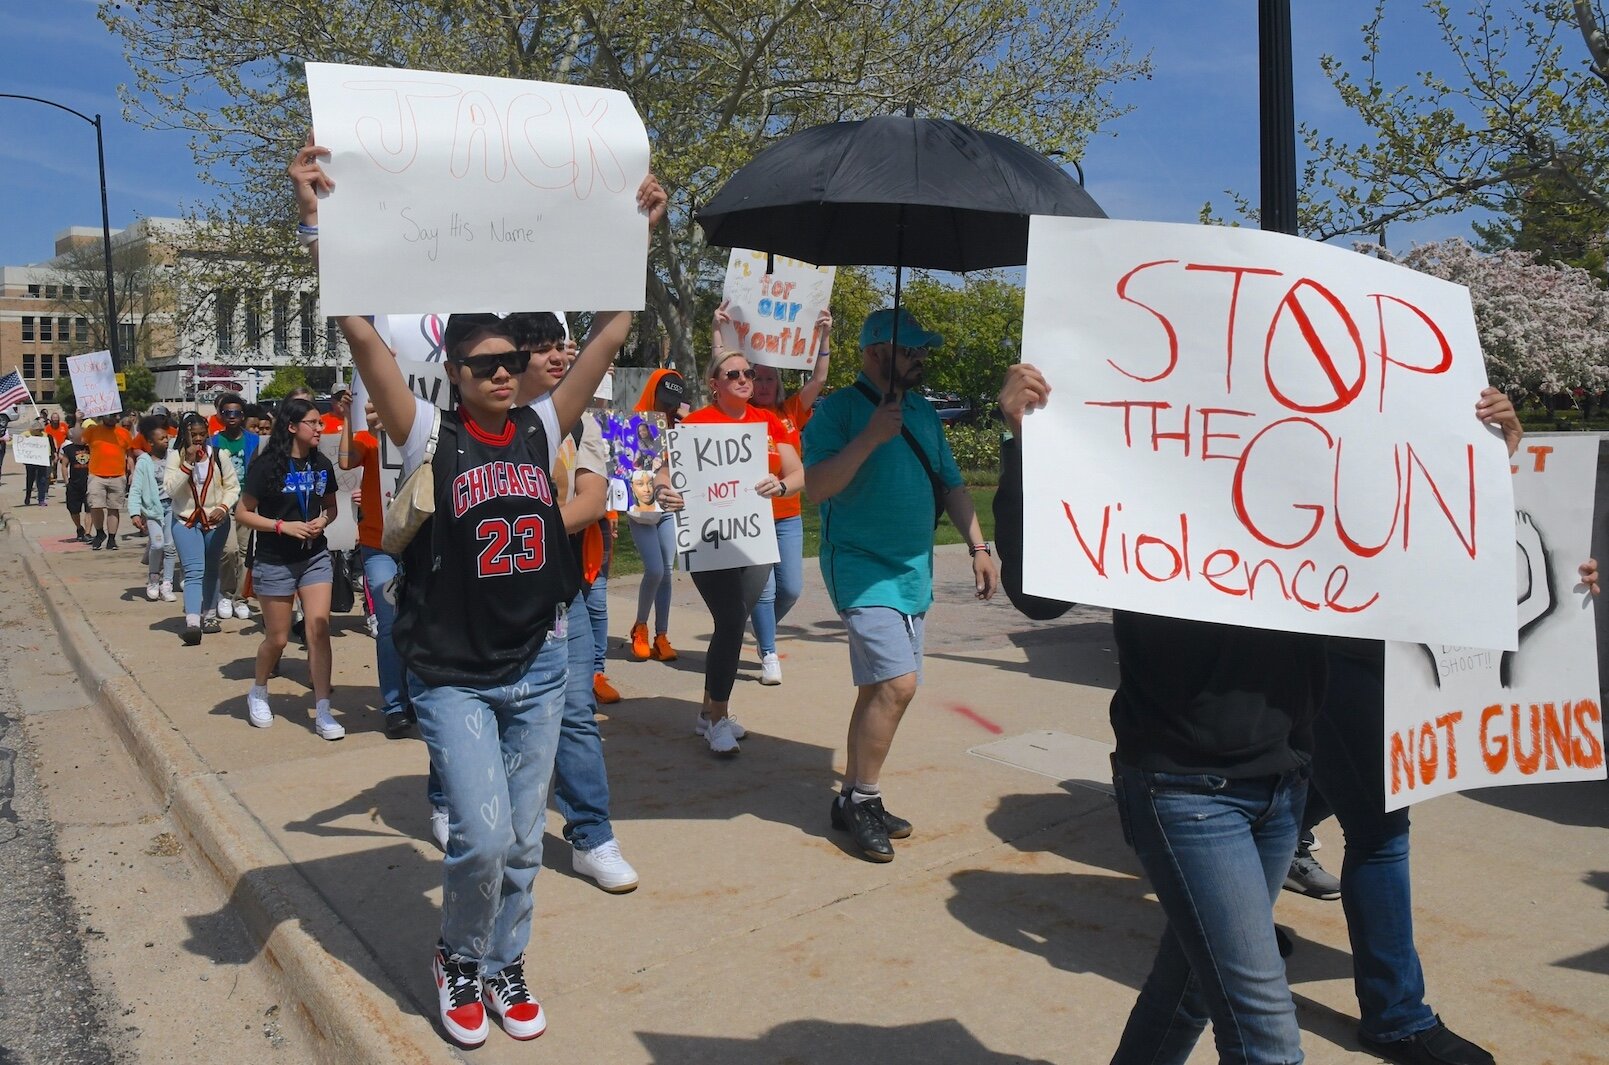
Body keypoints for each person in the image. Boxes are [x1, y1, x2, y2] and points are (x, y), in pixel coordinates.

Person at [293, 130, 665, 1047]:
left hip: (540, 659)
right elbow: (359, 331)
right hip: (454, 671)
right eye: (485, 364)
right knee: (485, 836)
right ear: (454, 374)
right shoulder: (427, 435)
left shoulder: (543, 424)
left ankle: (505, 960)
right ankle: (459, 953)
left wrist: (637, 232)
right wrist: (316, 220)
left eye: (514, 360)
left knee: (527, 849)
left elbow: (614, 328)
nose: (505, 372)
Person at [801, 308, 998, 860]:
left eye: (920, 351)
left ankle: (851, 798)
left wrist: (979, 548)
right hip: (861, 568)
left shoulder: (923, 414)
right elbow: (816, 488)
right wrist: (867, 438)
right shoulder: (837, 412)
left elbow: (954, 485)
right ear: (873, 354)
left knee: (877, 690)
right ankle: (865, 799)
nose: (918, 360)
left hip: (913, 571)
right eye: (908, 350)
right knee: (899, 686)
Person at [515, 311, 639, 891]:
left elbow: (590, 502)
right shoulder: (481, 424)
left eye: (565, 347)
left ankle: (591, 835)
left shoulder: (581, 427)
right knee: (487, 713)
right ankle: (453, 803)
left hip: (560, 592)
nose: (559, 358)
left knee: (578, 716)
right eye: (544, 349)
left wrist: (519, 540)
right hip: (487, 603)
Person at [677, 350, 804, 752]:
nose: (745, 379)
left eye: (749, 372)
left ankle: (706, 712)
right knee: (731, 620)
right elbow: (666, 473)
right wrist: (665, 490)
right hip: (708, 539)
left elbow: (797, 473)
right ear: (715, 383)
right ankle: (718, 721)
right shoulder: (695, 423)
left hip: (754, 538)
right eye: (734, 374)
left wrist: (780, 487)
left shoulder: (768, 422)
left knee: (731, 624)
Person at [722, 304, 833, 685]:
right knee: (765, 591)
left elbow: (819, 379)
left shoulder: (789, 412)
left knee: (790, 588)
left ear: (778, 383)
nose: (764, 384)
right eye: (758, 377)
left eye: (771, 378)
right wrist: (720, 331)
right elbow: (720, 367)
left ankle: (750, 627)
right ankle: (769, 653)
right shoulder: (739, 412)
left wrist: (824, 336)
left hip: (787, 515)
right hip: (752, 517)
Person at [234, 397, 341, 739]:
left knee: (318, 630)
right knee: (278, 639)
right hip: (275, 559)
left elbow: (332, 508)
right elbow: (243, 513)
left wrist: (322, 521)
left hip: (314, 557)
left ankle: (323, 709)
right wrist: (283, 526)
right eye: (314, 423)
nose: (320, 429)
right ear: (293, 427)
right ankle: (259, 690)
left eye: (321, 423)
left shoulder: (322, 464)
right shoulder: (267, 467)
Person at [338, 394, 414, 738]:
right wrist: (348, 420)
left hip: (418, 545)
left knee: (421, 621)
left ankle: (419, 695)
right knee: (389, 620)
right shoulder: (366, 440)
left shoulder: (422, 433)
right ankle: (395, 706)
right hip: (378, 546)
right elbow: (345, 462)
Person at [625, 369, 688, 663]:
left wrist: (685, 428)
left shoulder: (681, 424)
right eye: (664, 400)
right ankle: (640, 627)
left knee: (666, 570)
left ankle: (661, 635)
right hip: (641, 506)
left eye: (673, 402)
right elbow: (621, 464)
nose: (668, 407)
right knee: (655, 570)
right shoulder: (631, 423)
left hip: (668, 506)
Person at [165, 413, 240, 645]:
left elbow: (232, 486)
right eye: (193, 435)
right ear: (184, 435)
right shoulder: (175, 457)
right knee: (194, 570)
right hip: (186, 520)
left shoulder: (219, 456)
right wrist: (187, 464)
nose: (198, 439)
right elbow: (170, 490)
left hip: (216, 520)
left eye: (201, 434)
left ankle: (209, 614)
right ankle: (193, 622)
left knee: (211, 567)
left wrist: (224, 506)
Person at [210, 393, 261, 621]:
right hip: (222, 503)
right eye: (227, 413)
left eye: (237, 413)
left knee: (244, 553)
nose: (232, 417)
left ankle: (240, 599)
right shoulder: (213, 442)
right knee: (227, 550)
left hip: (247, 502)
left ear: (243, 416)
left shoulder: (254, 441)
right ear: (220, 415)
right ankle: (225, 593)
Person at [128, 415, 177, 602]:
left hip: (172, 507)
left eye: (167, 437)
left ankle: (167, 584)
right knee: (157, 544)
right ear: (150, 442)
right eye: (161, 438)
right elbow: (136, 489)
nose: (166, 440)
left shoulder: (174, 457)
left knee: (170, 546)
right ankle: (153, 579)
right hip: (153, 510)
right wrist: (134, 512)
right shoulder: (144, 462)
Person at [81, 413, 132, 550]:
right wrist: (77, 419)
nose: (111, 418)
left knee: (113, 508)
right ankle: (99, 533)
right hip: (96, 475)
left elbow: (130, 453)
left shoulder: (124, 433)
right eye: (108, 415)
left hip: (118, 475)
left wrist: (132, 471)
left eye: (114, 415)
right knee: (95, 505)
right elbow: (78, 440)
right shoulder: (93, 430)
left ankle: (111, 539)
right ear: (102, 416)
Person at [58, 427, 90, 540]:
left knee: (89, 509)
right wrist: (66, 481)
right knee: (73, 510)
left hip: (89, 483)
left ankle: (87, 533)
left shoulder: (90, 448)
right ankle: (79, 528)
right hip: (74, 484)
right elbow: (64, 466)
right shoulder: (68, 449)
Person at [21, 419, 54, 507]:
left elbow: (49, 448)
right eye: (37, 430)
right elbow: (18, 445)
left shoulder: (45, 436)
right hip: (30, 461)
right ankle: (28, 496)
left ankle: (41, 499)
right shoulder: (25, 435)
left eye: (40, 430)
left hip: (42, 461)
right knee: (30, 479)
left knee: (42, 480)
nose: (39, 431)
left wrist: (50, 457)